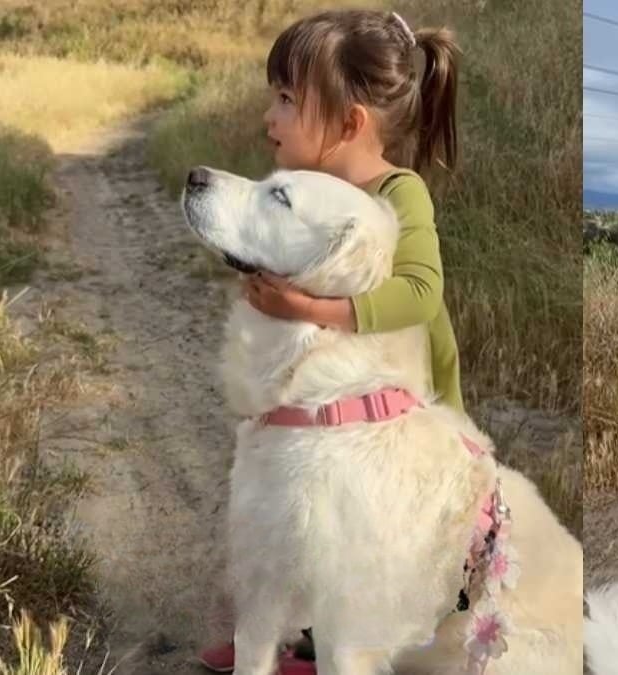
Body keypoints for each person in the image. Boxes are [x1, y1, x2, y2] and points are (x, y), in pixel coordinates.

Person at [198, 9, 463, 673]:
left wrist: (313, 305)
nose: (270, 117)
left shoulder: (401, 193)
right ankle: (277, 627)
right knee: (295, 513)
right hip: (320, 402)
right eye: (274, 98)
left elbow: (420, 293)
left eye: (287, 100)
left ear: (349, 122)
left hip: (393, 413)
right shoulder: (312, 195)